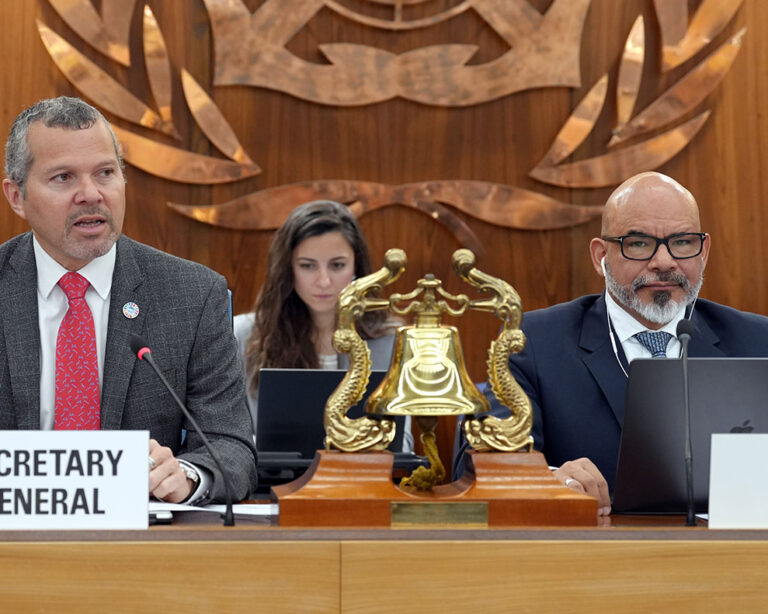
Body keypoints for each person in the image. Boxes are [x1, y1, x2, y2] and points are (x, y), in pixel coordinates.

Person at [455, 171, 768, 515]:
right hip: (594, 560)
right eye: (638, 243)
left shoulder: (757, 341)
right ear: (600, 256)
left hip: (732, 558)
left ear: (703, 251)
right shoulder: (531, 344)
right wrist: (551, 481)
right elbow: (480, 465)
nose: (663, 262)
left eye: (681, 242)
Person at [0, 96, 257, 504]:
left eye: (105, 173)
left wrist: (187, 476)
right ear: (17, 197)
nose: (91, 194)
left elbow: (231, 445)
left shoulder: (191, 296)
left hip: (141, 544)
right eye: (63, 178)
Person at [234, 200, 413, 450]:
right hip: (269, 483)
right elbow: (228, 443)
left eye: (337, 265)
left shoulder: (391, 339)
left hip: (359, 482)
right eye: (307, 266)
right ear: (288, 269)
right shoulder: (243, 335)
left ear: (356, 267)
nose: (324, 281)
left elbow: (402, 443)